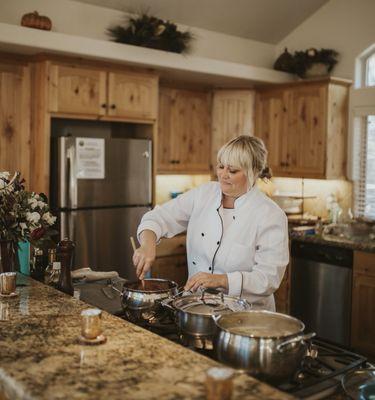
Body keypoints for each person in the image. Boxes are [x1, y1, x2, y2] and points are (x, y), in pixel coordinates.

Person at [133, 135, 289, 311]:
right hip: (196, 308)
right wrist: (148, 244)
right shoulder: (204, 194)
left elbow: (268, 279)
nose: (223, 175)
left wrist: (220, 280)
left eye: (233, 171)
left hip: (246, 318)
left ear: (253, 171)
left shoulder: (270, 214)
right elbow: (158, 217)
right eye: (221, 166)